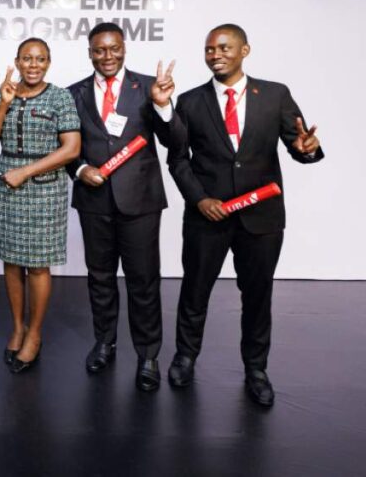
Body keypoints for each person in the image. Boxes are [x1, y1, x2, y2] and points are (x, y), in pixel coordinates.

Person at [167, 24, 323, 407]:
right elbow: (177, 160)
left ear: (245, 50)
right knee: (194, 290)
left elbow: (299, 143)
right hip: (208, 216)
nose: (215, 54)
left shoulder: (275, 94)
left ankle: (256, 368)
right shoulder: (189, 101)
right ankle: (185, 357)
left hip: (262, 220)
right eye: (209, 49)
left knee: (257, 295)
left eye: (224, 47)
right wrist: (200, 199)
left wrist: (306, 149)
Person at [67, 22, 179, 391]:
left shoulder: (149, 87)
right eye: (100, 50)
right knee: (99, 277)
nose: (108, 56)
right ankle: (105, 342)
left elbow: (175, 140)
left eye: (114, 48)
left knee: (143, 281)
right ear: (90, 53)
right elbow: (68, 149)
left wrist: (163, 107)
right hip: (94, 200)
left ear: (124, 48)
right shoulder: (73, 94)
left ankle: (148, 354)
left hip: (140, 200)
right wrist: (81, 169)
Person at [0, 38, 81, 374]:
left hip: (44, 188)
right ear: (17, 61)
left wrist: (26, 170)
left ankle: (35, 333)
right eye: (27, 58)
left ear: (49, 63)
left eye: (40, 59)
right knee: (12, 262)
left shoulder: (60, 97)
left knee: (38, 266)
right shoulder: (1, 93)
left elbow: (70, 149)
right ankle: (17, 327)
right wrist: (2, 105)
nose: (33, 65)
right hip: (9, 187)